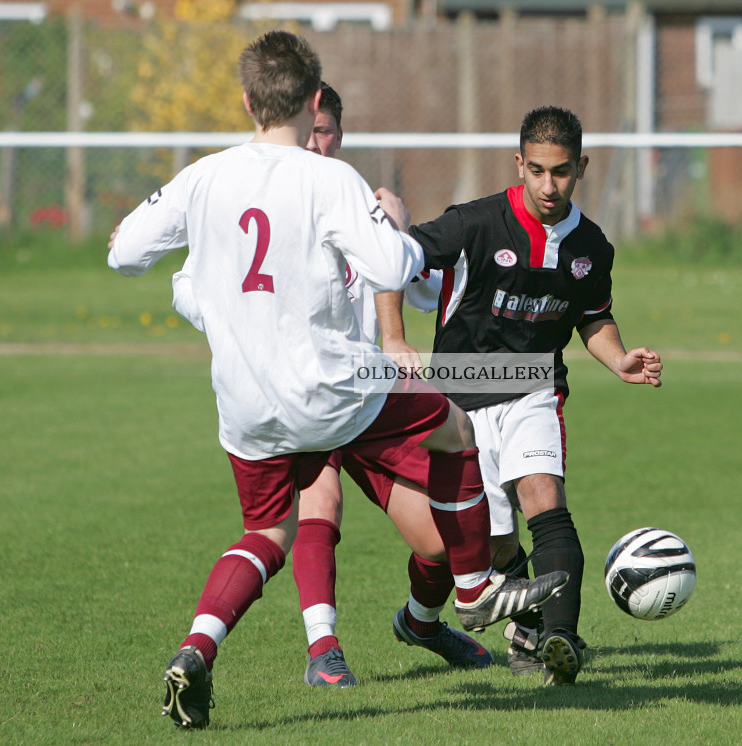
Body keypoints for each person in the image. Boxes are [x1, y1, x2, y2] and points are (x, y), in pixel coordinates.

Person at [107, 31, 567, 729]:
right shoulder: (331, 179)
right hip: (332, 390)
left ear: (246, 101)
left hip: (244, 407)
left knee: (265, 532)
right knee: (455, 427)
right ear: (314, 100)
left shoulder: (205, 176)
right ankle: (473, 589)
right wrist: (403, 228)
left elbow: (124, 254)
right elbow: (391, 267)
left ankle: (195, 651)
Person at [171, 83, 488, 689]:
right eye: (308, 130)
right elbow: (192, 283)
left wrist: (403, 245)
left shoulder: (355, 199)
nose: (315, 142)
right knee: (322, 501)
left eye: (326, 132)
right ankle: (325, 650)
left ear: (339, 135)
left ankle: (422, 623)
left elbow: (412, 278)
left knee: (438, 542)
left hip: (367, 397)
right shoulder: (252, 197)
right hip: (301, 395)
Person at [389, 105, 663, 686]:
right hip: (458, 401)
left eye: (560, 172)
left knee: (545, 499)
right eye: (536, 170)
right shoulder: (474, 224)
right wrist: (393, 336)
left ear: (581, 167)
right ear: (519, 164)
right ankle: (531, 622)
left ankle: (561, 639)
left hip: (533, 387)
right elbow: (393, 263)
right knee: (495, 541)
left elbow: (595, 317)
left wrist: (619, 359)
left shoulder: (593, 246)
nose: (547, 185)